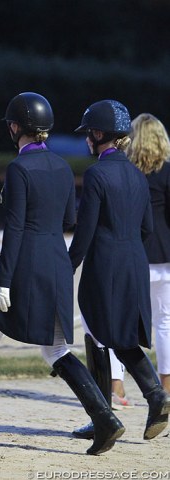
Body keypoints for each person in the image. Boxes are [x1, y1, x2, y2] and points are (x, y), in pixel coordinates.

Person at [0, 91, 124, 456]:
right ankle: (105, 417)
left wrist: (4, 279)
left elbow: (17, 229)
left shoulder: (19, 168)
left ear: (14, 127)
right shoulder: (62, 166)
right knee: (55, 349)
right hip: (56, 263)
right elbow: (70, 219)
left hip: (24, 265)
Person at [69, 99, 170, 443]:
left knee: (102, 334)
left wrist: (68, 265)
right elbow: (146, 228)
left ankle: (107, 415)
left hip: (106, 265)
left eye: (88, 134)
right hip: (135, 261)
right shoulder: (137, 175)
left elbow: (84, 231)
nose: (86, 140)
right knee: (118, 335)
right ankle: (152, 396)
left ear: (99, 134)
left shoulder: (97, 173)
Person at [127, 113, 170, 394]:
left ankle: (115, 386)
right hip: (164, 253)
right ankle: (166, 385)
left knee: (123, 324)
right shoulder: (167, 171)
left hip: (133, 253)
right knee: (165, 322)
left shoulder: (125, 170)